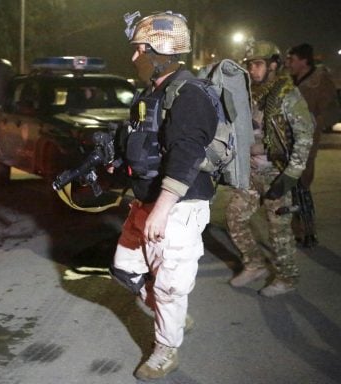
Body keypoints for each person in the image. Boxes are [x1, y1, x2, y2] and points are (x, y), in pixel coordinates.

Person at [110, 11, 217, 380]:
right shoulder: (152, 93)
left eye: (139, 49)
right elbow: (146, 145)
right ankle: (169, 314)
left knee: (169, 288)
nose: (134, 57)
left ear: (159, 51)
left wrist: (162, 207)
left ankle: (166, 348)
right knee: (125, 268)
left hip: (177, 207)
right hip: (146, 201)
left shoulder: (191, 93)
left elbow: (188, 152)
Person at [226, 40, 314, 297]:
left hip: (278, 172)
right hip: (252, 173)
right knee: (235, 216)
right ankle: (254, 264)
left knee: (279, 231)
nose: (252, 70)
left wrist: (290, 176)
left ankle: (287, 278)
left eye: (258, 64)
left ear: (273, 65)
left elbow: (304, 136)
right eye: (250, 65)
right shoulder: (252, 94)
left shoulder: (287, 95)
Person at [285, 43, 339, 246]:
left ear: (304, 61)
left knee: (302, 187)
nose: (288, 63)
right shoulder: (289, 80)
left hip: (306, 143)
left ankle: (307, 231)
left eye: (292, 59)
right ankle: (296, 229)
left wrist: (313, 120)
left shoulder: (320, 81)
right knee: (292, 188)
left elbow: (332, 110)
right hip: (287, 142)